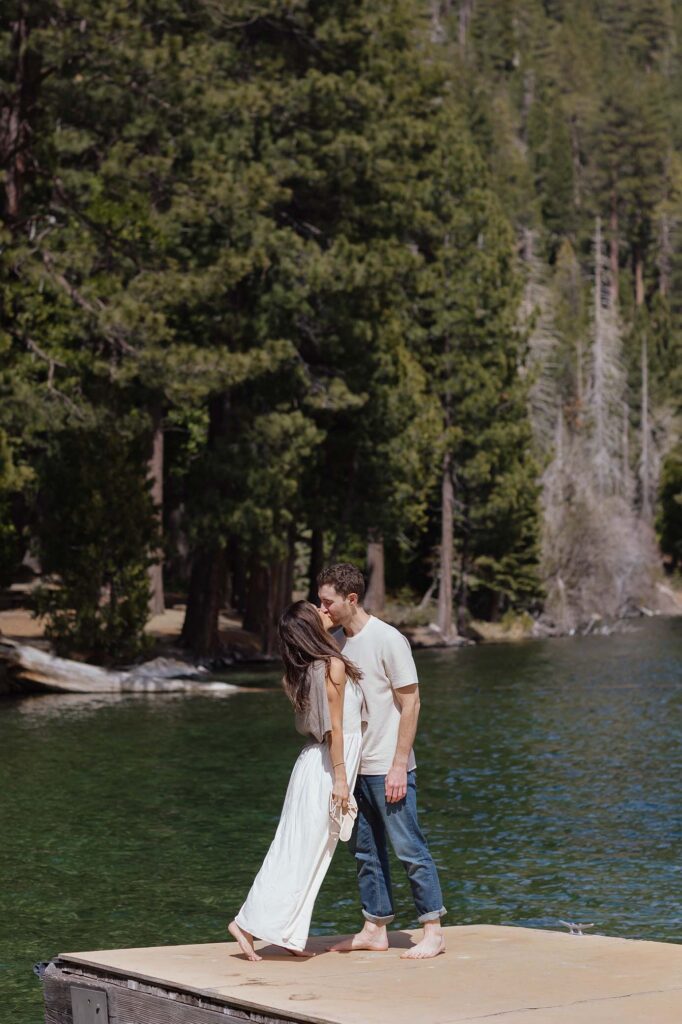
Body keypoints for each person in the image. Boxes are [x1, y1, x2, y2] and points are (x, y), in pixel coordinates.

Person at [318, 562, 446, 959]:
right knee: (365, 851)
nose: (322, 609)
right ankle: (375, 927)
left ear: (351, 599)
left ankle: (433, 930)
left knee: (409, 847)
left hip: (388, 768)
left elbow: (412, 704)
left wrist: (398, 764)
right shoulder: (338, 644)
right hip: (356, 767)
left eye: (328, 602)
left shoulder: (388, 639)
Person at [228, 600, 364, 961]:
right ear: (310, 628)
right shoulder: (330, 666)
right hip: (326, 767)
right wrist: (341, 779)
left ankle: (288, 932)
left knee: (309, 853)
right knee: (299, 853)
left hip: (316, 764)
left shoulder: (306, 669)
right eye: (317, 612)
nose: (325, 612)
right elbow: (334, 728)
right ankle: (245, 924)